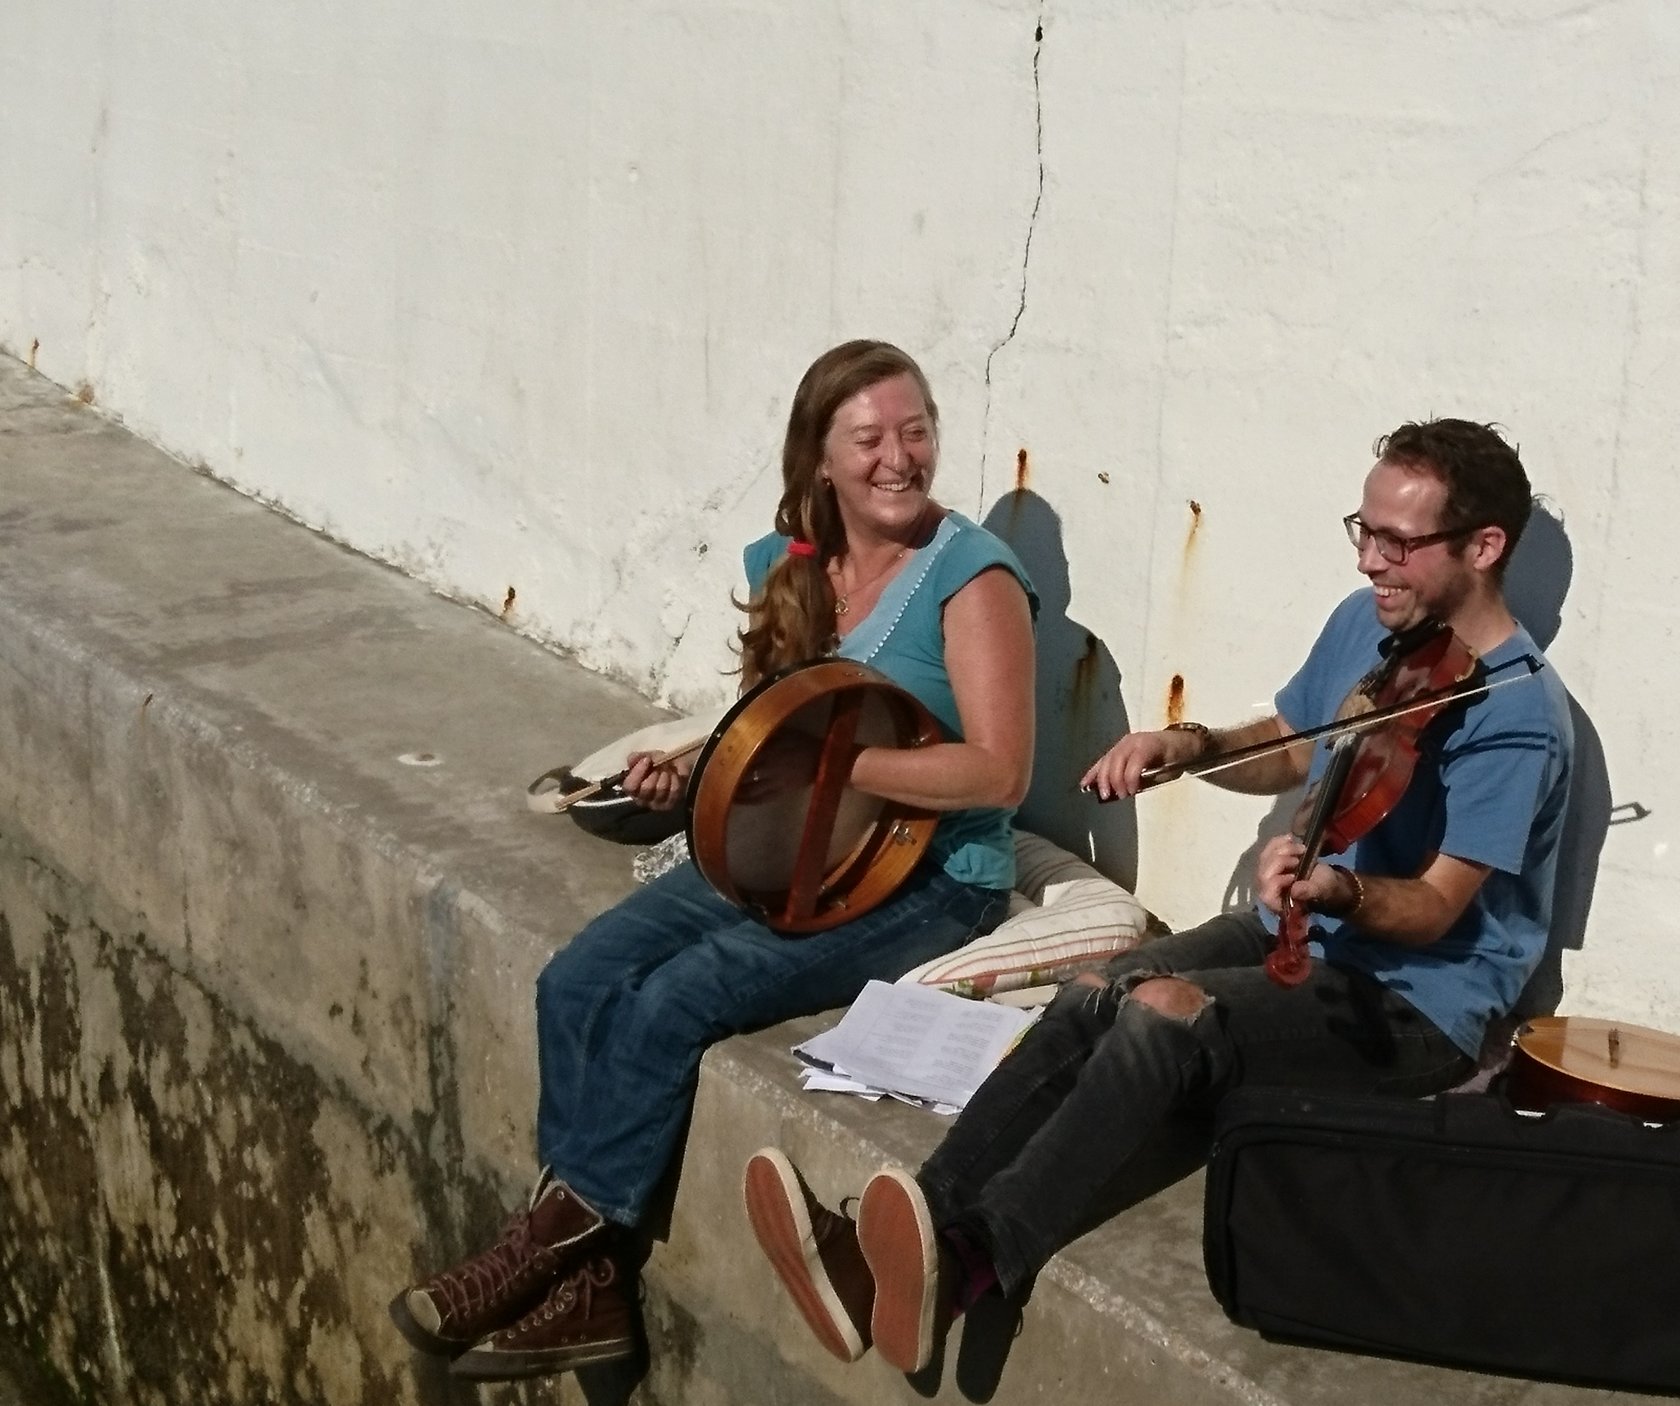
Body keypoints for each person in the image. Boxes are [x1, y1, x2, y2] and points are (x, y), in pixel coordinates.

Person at [742, 418, 1573, 1374]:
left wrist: (1335, 886)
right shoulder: (1379, 623)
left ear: (1483, 547)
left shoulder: (1518, 718)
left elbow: (1434, 910)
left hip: (1418, 1006)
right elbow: (1299, 745)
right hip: (1291, 931)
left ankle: (975, 1261)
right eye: (1363, 531)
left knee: (1163, 1014)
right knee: (1096, 985)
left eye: (1398, 543)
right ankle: (901, 1244)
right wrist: (1189, 748)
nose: (1369, 563)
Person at [388, 340, 1038, 1381]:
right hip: (790, 847)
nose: (898, 456)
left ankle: (540, 1250)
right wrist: (691, 774)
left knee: (675, 999)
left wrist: (843, 767)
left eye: (915, 429)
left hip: (922, 878)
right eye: (868, 437)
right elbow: (765, 727)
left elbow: (1000, 772)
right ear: (819, 457)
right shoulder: (786, 567)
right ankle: (592, 1292)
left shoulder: (972, 577)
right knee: (577, 979)